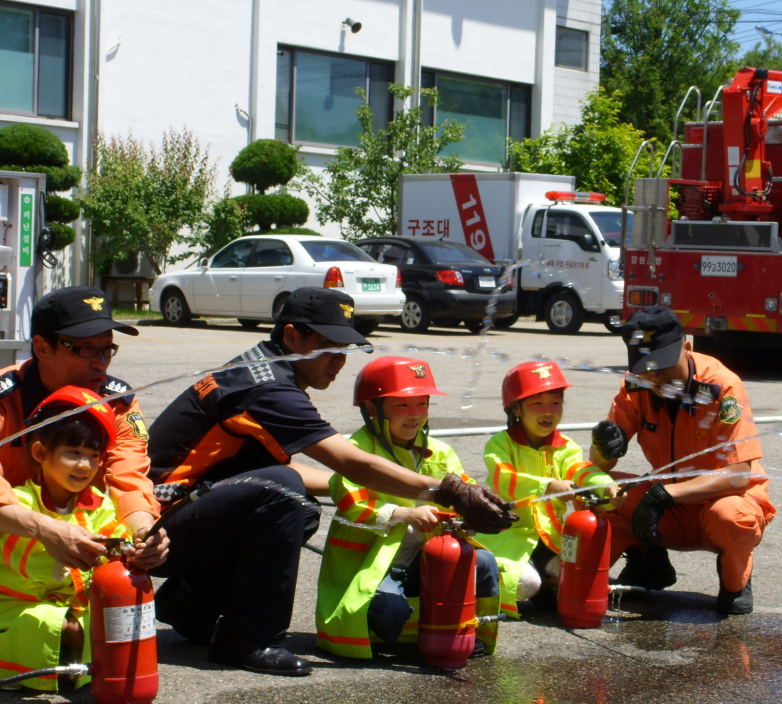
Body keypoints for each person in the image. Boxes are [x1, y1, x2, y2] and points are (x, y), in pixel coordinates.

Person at [148, 287, 513, 676]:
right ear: (291, 336)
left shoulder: (264, 370)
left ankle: (190, 605)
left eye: (345, 350)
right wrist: (449, 490)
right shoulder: (267, 387)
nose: (338, 361)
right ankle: (247, 639)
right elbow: (351, 462)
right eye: (327, 346)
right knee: (286, 495)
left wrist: (361, 489)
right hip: (154, 530)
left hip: (182, 516)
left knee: (291, 497)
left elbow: (297, 474)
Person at [0, 287, 169, 624]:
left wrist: (145, 532)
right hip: (4, 546)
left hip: (84, 543)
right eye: (86, 349)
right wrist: (45, 529)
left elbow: (129, 479)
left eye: (107, 349)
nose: (100, 363)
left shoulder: (118, 403)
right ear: (42, 347)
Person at [589, 306, 776, 615]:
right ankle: (648, 562)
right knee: (601, 493)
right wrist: (603, 447)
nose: (656, 379)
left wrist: (664, 495)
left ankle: (735, 578)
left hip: (716, 506)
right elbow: (597, 469)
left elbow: (739, 475)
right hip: (667, 511)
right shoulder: (637, 385)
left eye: (663, 367)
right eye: (646, 369)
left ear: (687, 347)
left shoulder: (722, 387)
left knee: (732, 516)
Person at [317, 356, 501, 658]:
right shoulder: (356, 451)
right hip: (374, 565)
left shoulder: (441, 452)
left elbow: (465, 493)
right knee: (389, 612)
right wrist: (406, 514)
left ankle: (468, 632)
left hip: (425, 560)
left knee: (484, 563)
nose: (414, 415)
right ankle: (401, 631)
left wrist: (480, 510)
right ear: (371, 408)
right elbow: (352, 502)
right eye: (402, 405)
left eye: (422, 404)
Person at [0, 387, 128, 691]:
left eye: (93, 455)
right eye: (73, 453)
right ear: (40, 453)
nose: (85, 465)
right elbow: (21, 561)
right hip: (21, 601)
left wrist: (125, 546)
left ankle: (67, 673)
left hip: (78, 603)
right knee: (55, 625)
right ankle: (5, 668)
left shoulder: (99, 503)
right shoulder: (20, 503)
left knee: (106, 624)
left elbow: (115, 534)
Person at [475, 361, 620, 618]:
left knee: (579, 578)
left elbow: (582, 470)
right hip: (508, 536)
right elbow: (503, 479)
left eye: (555, 403)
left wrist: (607, 488)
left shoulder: (565, 447)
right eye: (537, 403)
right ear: (516, 409)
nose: (548, 412)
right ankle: (506, 582)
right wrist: (548, 486)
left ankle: (544, 583)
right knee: (527, 584)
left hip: (550, 537)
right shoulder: (500, 443)